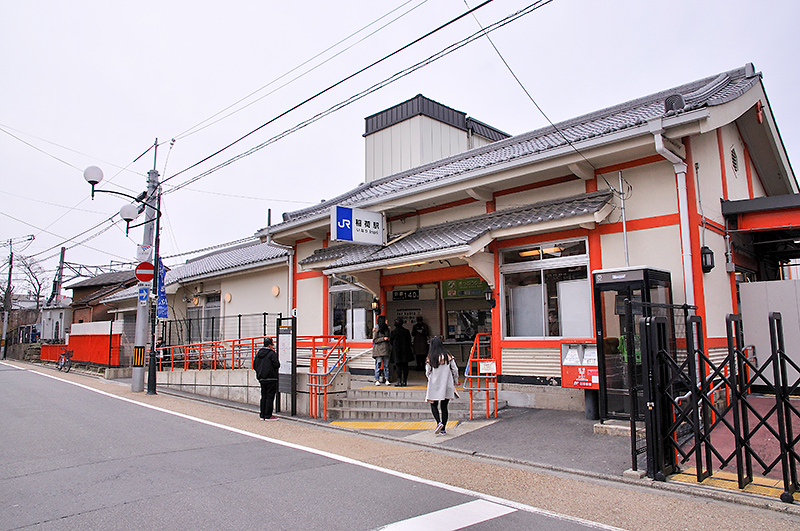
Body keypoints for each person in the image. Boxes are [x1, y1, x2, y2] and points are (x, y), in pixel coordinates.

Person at [425, 336, 459, 435]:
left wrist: (430, 379)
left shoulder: (430, 357)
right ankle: (443, 428)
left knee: (433, 404)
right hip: (446, 384)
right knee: (444, 407)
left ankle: (438, 422)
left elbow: (428, 372)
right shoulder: (448, 356)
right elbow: (455, 370)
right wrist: (455, 381)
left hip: (434, 384)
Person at [253, 337, 280, 420]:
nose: (273, 346)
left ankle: (262, 414)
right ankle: (268, 415)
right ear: (269, 345)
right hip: (271, 377)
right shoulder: (272, 354)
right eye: (272, 344)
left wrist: (260, 372)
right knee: (270, 397)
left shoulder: (259, 354)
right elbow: (277, 365)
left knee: (263, 396)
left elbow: (254, 365)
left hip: (261, 378)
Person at [390, 316, 413, 387]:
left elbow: (391, 342)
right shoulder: (406, 331)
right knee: (405, 366)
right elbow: (409, 340)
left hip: (397, 351)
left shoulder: (393, 332)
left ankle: (399, 381)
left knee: (398, 367)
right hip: (405, 351)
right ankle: (405, 381)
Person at [372, 315, 391, 385]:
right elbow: (374, 340)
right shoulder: (376, 329)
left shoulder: (388, 328)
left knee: (386, 365)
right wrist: (383, 339)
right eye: (386, 320)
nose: (387, 321)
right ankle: (377, 379)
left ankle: (387, 379)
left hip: (386, 349)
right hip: (378, 350)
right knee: (378, 365)